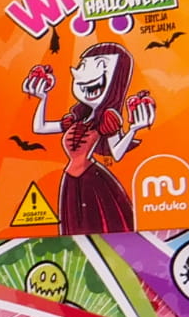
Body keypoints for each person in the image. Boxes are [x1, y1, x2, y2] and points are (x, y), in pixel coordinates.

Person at [22, 43, 153, 235]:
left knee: (102, 223)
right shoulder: (78, 117)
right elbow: (40, 128)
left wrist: (133, 130)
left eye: (102, 66)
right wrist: (43, 99)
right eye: (82, 67)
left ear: (116, 82)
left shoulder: (108, 118)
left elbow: (117, 154)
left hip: (92, 180)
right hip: (71, 181)